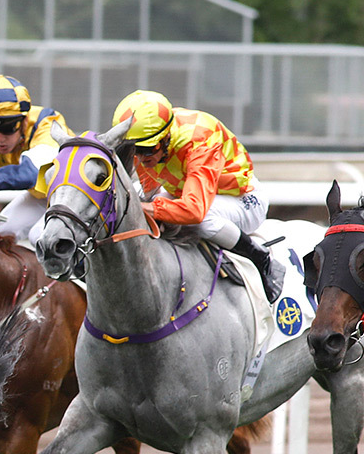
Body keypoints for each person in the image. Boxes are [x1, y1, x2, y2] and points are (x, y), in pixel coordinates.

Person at [111, 89, 284, 302]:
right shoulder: (146, 140)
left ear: (166, 137)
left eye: (147, 149)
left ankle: (261, 259)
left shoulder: (199, 140)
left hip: (243, 200)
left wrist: (143, 208)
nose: (140, 157)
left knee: (200, 220)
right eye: (133, 150)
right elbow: (150, 196)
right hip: (192, 193)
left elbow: (194, 210)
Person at [0, 74, 73, 245]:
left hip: (73, 196)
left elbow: (31, 173)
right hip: (41, 196)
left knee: (39, 237)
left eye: (8, 128)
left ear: (24, 121)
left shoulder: (47, 122)